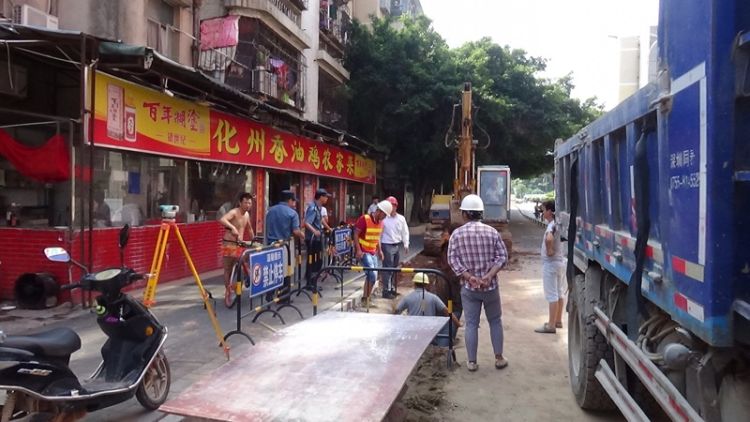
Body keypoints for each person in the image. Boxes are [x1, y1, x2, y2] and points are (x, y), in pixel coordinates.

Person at [447, 194, 508, 372]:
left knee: (471, 324)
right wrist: (489, 276)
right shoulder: (492, 232)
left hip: (469, 289)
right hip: (490, 288)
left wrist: (468, 277)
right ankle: (499, 358)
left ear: (465, 214)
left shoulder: (457, 235)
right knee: (495, 321)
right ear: (481, 213)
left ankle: (472, 362)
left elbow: (452, 260)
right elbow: (502, 257)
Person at [394, 272, 462, 344]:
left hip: (413, 332)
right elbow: (448, 312)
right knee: (449, 321)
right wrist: (458, 324)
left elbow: (397, 311)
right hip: (429, 332)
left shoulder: (408, 298)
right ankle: (445, 343)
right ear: (427, 285)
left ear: (414, 284)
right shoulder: (433, 297)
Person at [265, 190, 305, 303]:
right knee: (285, 271)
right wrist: (303, 235)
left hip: (270, 245)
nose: (294, 204)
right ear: (289, 200)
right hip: (284, 245)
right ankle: (283, 297)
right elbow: (296, 231)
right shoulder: (292, 213)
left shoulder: (270, 210)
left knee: (272, 270)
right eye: (293, 201)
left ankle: (269, 295)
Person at [535, 200, 566, 334]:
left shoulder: (551, 226)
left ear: (549, 211)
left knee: (552, 294)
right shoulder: (558, 224)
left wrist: (549, 250)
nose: (542, 213)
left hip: (551, 263)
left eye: (543, 210)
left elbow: (549, 239)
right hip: (559, 262)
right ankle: (558, 320)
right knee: (559, 292)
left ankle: (551, 325)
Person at [219, 192, 254, 308]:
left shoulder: (247, 215)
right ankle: (228, 291)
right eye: (246, 202)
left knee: (243, 262)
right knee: (228, 269)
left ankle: (243, 281)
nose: (248, 205)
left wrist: (253, 240)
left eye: (249, 203)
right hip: (229, 244)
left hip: (239, 244)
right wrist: (232, 227)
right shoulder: (234, 212)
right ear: (240, 202)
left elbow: (249, 228)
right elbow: (222, 219)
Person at [354, 199, 392, 302]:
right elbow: (356, 234)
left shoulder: (381, 223)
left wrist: (380, 250)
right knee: (372, 275)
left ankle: (366, 298)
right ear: (379, 211)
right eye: (384, 215)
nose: (384, 217)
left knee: (372, 277)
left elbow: (377, 237)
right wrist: (358, 250)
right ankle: (366, 298)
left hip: (373, 252)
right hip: (364, 251)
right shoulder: (364, 219)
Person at [380, 196, 410, 299]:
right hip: (386, 244)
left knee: (394, 268)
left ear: (396, 206)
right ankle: (386, 290)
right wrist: (379, 248)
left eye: (392, 206)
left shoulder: (401, 219)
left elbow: (405, 231)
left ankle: (392, 288)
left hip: (396, 245)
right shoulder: (384, 219)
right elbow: (380, 234)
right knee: (388, 268)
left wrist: (406, 244)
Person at [304, 188, 329, 290]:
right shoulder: (312, 208)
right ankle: (310, 283)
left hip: (317, 239)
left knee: (317, 261)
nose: (327, 199)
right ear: (321, 197)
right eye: (325, 197)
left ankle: (312, 282)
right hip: (312, 240)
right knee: (314, 262)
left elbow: (321, 219)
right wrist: (314, 231)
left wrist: (329, 228)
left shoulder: (318, 207)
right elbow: (307, 222)